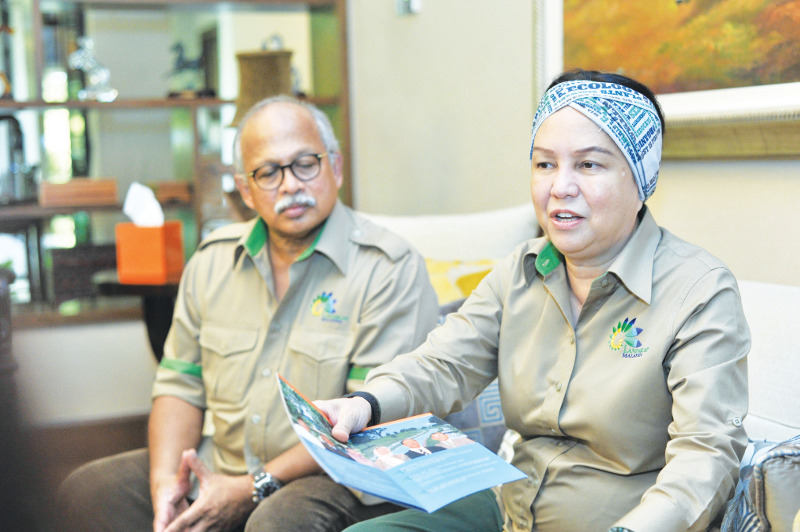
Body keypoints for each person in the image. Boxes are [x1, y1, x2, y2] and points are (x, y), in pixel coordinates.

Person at [316, 69, 750, 532]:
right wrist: (364, 404)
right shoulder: (519, 270)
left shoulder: (700, 291)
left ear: (640, 179)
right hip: (508, 510)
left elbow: (706, 456)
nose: (559, 186)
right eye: (545, 164)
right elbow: (443, 364)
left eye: (589, 165)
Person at [57, 95, 440, 532]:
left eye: (305, 164)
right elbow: (180, 385)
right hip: (222, 460)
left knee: (275, 519)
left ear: (335, 166)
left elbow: (364, 426)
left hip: (340, 472)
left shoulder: (389, 268)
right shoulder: (211, 263)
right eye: (269, 172)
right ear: (245, 190)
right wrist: (167, 483)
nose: (291, 185)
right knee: (89, 491)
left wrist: (250, 488)